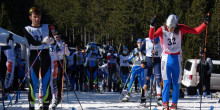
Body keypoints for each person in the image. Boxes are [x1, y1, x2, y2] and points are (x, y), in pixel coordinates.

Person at [149, 14, 210, 110]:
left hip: (177, 58)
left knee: (177, 83)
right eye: (168, 27)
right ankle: (165, 104)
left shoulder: (181, 28)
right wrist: (152, 26)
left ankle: (174, 104)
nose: (170, 29)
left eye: (172, 28)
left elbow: (196, 31)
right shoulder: (162, 29)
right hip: (166, 58)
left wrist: (204, 23)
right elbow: (151, 37)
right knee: (166, 83)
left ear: (176, 25)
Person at [23, 6, 55, 110]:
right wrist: (43, 42)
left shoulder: (46, 27)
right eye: (35, 17)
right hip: (34, 55)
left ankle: (46, 103)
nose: (37, 19)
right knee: (34, 82)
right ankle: (31, 104)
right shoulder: (27, 29)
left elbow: (53, 40)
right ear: (30, 17)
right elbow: (32, 41)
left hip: (45, 55)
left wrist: (51, 41)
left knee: (46, 81)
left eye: (38, 17)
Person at [140, 37, 163, 105]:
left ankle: (159, 97)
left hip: (157, 61)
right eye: (153, 42)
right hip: (148, 60)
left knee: (158, 79)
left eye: (156, 42)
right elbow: (140, 50)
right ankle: (143, 96)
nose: (154, 43)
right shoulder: (146, 40)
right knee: (146, 80)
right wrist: (142, 60)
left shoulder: (161, 40)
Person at [53, 33, 70, 105]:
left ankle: (59, 95)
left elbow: (68, 54)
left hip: (60, 61)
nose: (58, 38)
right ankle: (53, 95)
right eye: (56, 36)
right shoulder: (52, 43)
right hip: (53, 61)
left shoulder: (63, 44)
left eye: (59, 36)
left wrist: (65, 47)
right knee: (53, 79)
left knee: (59, 79)